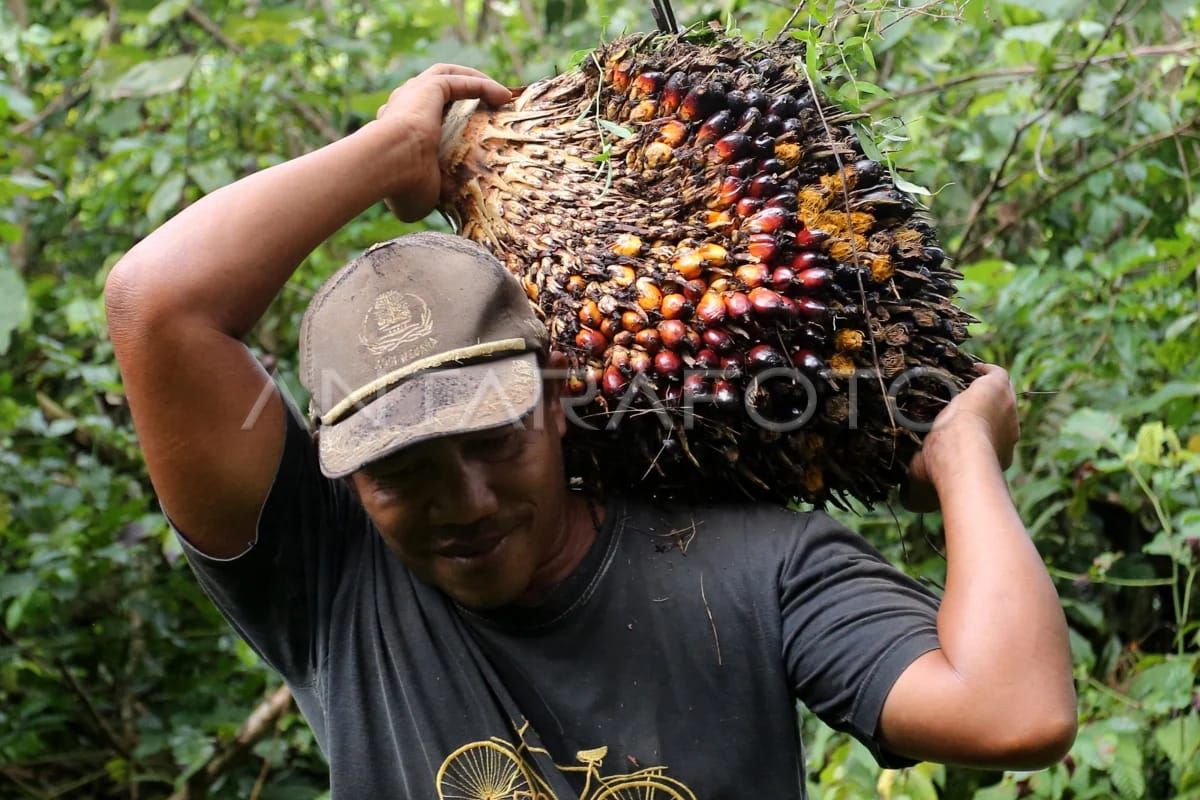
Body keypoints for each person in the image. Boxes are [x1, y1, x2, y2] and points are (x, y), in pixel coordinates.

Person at [104, 64, 1077, 798]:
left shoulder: (753, 565)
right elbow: (156, 305)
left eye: (494, 441)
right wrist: (389, 154)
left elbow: (1015, 709)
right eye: (404, 473)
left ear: (558, 401)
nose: (469, 503)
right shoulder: (329, 578)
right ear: (348, 478)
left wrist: (958, 457)